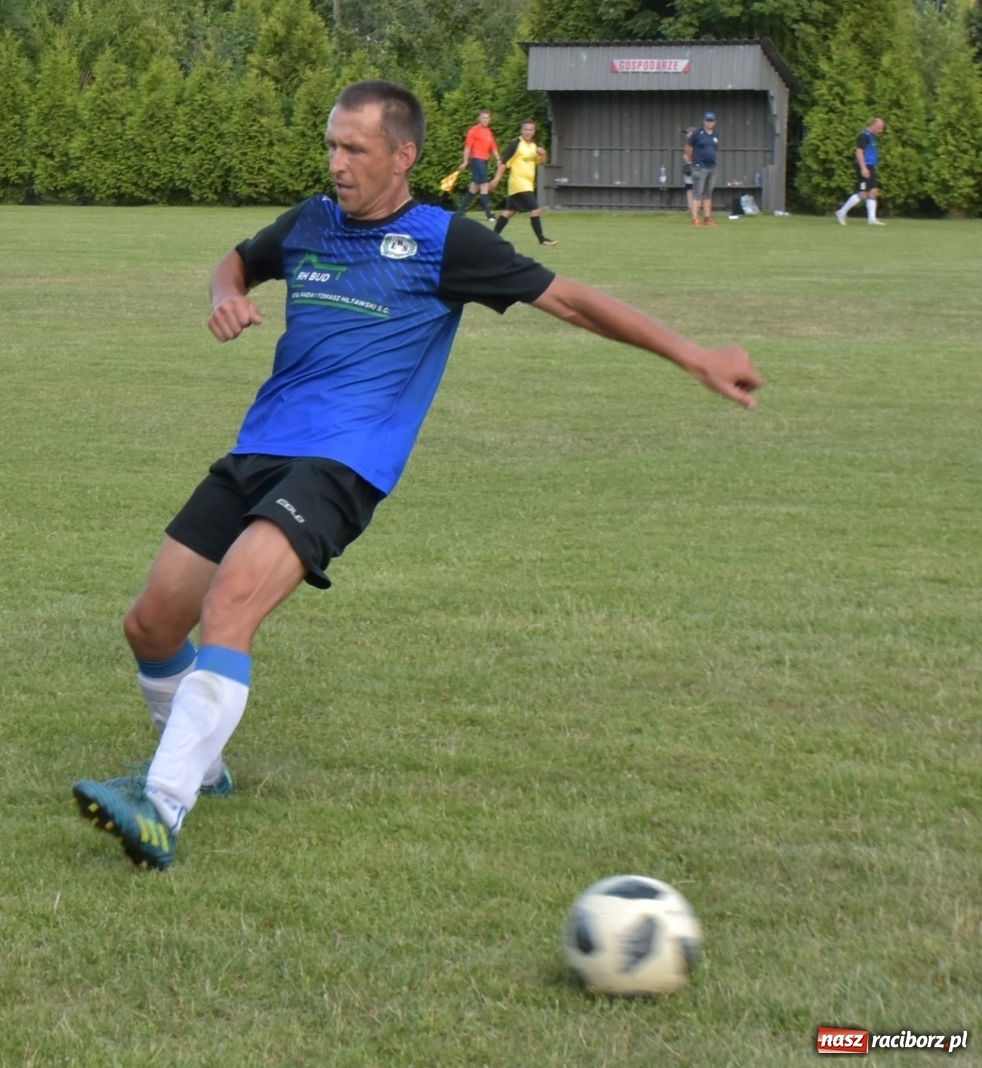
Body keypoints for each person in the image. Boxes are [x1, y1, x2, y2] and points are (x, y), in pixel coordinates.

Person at [70, 80, 761, 871]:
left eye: (355, 149)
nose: (336, 163)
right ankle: (206, 764)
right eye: (331, 145)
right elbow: (239, 259)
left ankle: (160, 807)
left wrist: (694, 355)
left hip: (343, 463)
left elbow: (570, 302)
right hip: (259, 447)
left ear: (403, 157)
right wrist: (227, 296)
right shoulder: (310, 222)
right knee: (152, 624)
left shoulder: (445, 242)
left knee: (230, 602)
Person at [490, 120, 559, 247]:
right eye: (525, 129)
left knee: (509, 212)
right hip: (519, 184)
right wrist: (496, 179)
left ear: (534, 132)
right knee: (536, 210)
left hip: (527, 185)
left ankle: (491, 238)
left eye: (530, 130)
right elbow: (504, 163)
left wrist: (543, 153)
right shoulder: (516, 144)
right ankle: (542, 239)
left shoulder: (533, 146)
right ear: (521, 130)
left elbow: (542, 162)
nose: (528, 132)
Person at [835, 117, 886, 226]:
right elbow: (859, 152)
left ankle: (872, 219)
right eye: (880, 128)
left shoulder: (872, 137)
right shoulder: (863, 136)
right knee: (863, 193)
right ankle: (841, 212)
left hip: (871, 166)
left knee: (873, 191)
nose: (881, 131)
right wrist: (863, 168)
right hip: (864, 166)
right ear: (874, 126)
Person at [457, 109, 501, 221]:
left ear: (489, 119)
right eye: (483, 118)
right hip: (477, 160)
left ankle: (460, 212)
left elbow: (493, 146)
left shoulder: (488, 132)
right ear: (479, 118)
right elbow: (467, 147)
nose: (485, 120)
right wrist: (465, 161)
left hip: (484, 161)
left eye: (487, 118)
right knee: (484, 185)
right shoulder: (474, 131)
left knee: (474, 187)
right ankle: (488, 214)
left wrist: (498, 159)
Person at [685, 111, 719, 226]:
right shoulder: (697, 133)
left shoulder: (715, 135)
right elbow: (689, 148)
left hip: (711, 167)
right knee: (697, 193)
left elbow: (714, 150)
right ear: (704, 121)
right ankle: (695, 219)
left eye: (711, 121)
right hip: (700, 167)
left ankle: (707, 218)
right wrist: (692, 162)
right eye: (708, 120)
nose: (709, 123)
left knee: (708, 193)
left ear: (714, 122)